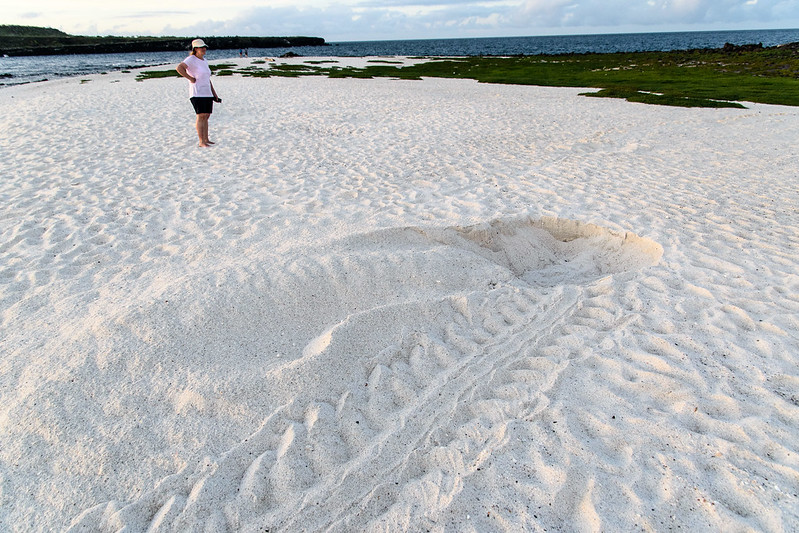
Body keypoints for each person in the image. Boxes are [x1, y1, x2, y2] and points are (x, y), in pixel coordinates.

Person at [176, 39, 221, 147]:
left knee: (207, 116)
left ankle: (206, 139)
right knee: (201, 116)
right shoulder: (191, 59)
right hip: (197, 92)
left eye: (204, 47)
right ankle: (201, 141)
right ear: (195, 49)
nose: (204, 49)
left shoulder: (204, 61)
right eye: (201, 47)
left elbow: (207, 79)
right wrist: (190, 78)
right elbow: (179, 68)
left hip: (207, 92)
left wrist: (214, 94)